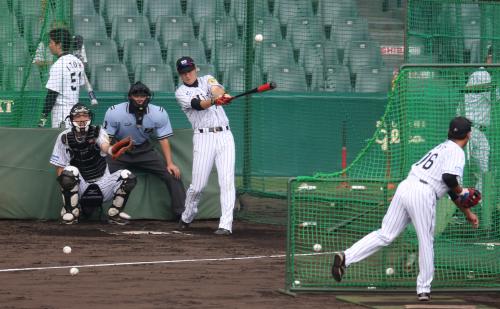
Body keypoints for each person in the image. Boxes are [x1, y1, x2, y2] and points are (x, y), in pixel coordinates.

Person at [331, 117, 480, 302]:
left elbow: (450, 190)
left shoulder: (441, 147)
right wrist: (464, 192)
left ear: (450, 132)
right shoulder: (457, 152)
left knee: (385, 234)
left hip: (406, 186)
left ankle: (346, 257)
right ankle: (423, 289)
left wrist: (467, 212)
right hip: (423, 193)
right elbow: (450, 179)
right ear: (468, 135)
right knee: (426, 241)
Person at [103, 81, 186, 219]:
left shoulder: (158, 113)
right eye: (136, 95)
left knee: (172, 174)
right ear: (130, 97)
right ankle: (90, 210)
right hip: (120, 150)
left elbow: (163, 139)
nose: (140, 98)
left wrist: (170, 163)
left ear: (148, 97)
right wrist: (108, 155)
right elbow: (107, 139)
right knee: (100, 175)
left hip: (144, 150)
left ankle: (182, 214)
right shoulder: (114, 112)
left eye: (143, 95)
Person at [174, 56, 236, 236]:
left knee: (227, 181)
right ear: (180, 74)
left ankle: (226, 224)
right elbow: (198, 105)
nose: (187, 75)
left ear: (196, 69)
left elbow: (216, 89)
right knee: (198, 185)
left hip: (225, 135)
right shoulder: (181, 92)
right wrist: (216, 101)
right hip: (203, 138)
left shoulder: (207, 78)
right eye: (183, 73)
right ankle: (187, 215)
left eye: (190, 71)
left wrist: (221, 97)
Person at [49, 104, 137, 225]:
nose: (82, 119)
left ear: (90, 117)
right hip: (81, 185)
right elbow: (60, 167)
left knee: (128, 177)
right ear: (71, 119)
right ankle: (71, 210)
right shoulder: (64, 137)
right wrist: (66, 191)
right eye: (78, 116)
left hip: (103, 183)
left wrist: (113, 150)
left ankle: (115, 213)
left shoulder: (98, 131)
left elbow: (106, 147)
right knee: (68, 172)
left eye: (85, 115)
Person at [38, 28, 85, 128]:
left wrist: (42, 120)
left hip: (62, 115)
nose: (49, 45)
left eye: (51, 42)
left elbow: (51, 96)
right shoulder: (78, 62)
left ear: (59, 45)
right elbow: (80, 84)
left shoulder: (58, 65)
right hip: (75, 112)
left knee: (63, 142)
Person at [464, 47, 494, 193]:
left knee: (484, 172)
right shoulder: (483, 75)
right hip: (468, 129)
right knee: (459, 169)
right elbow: (495, 97)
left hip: (477, 131)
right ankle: (452, 207)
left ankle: (478, 203)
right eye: (491, 57)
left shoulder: (484, 74)